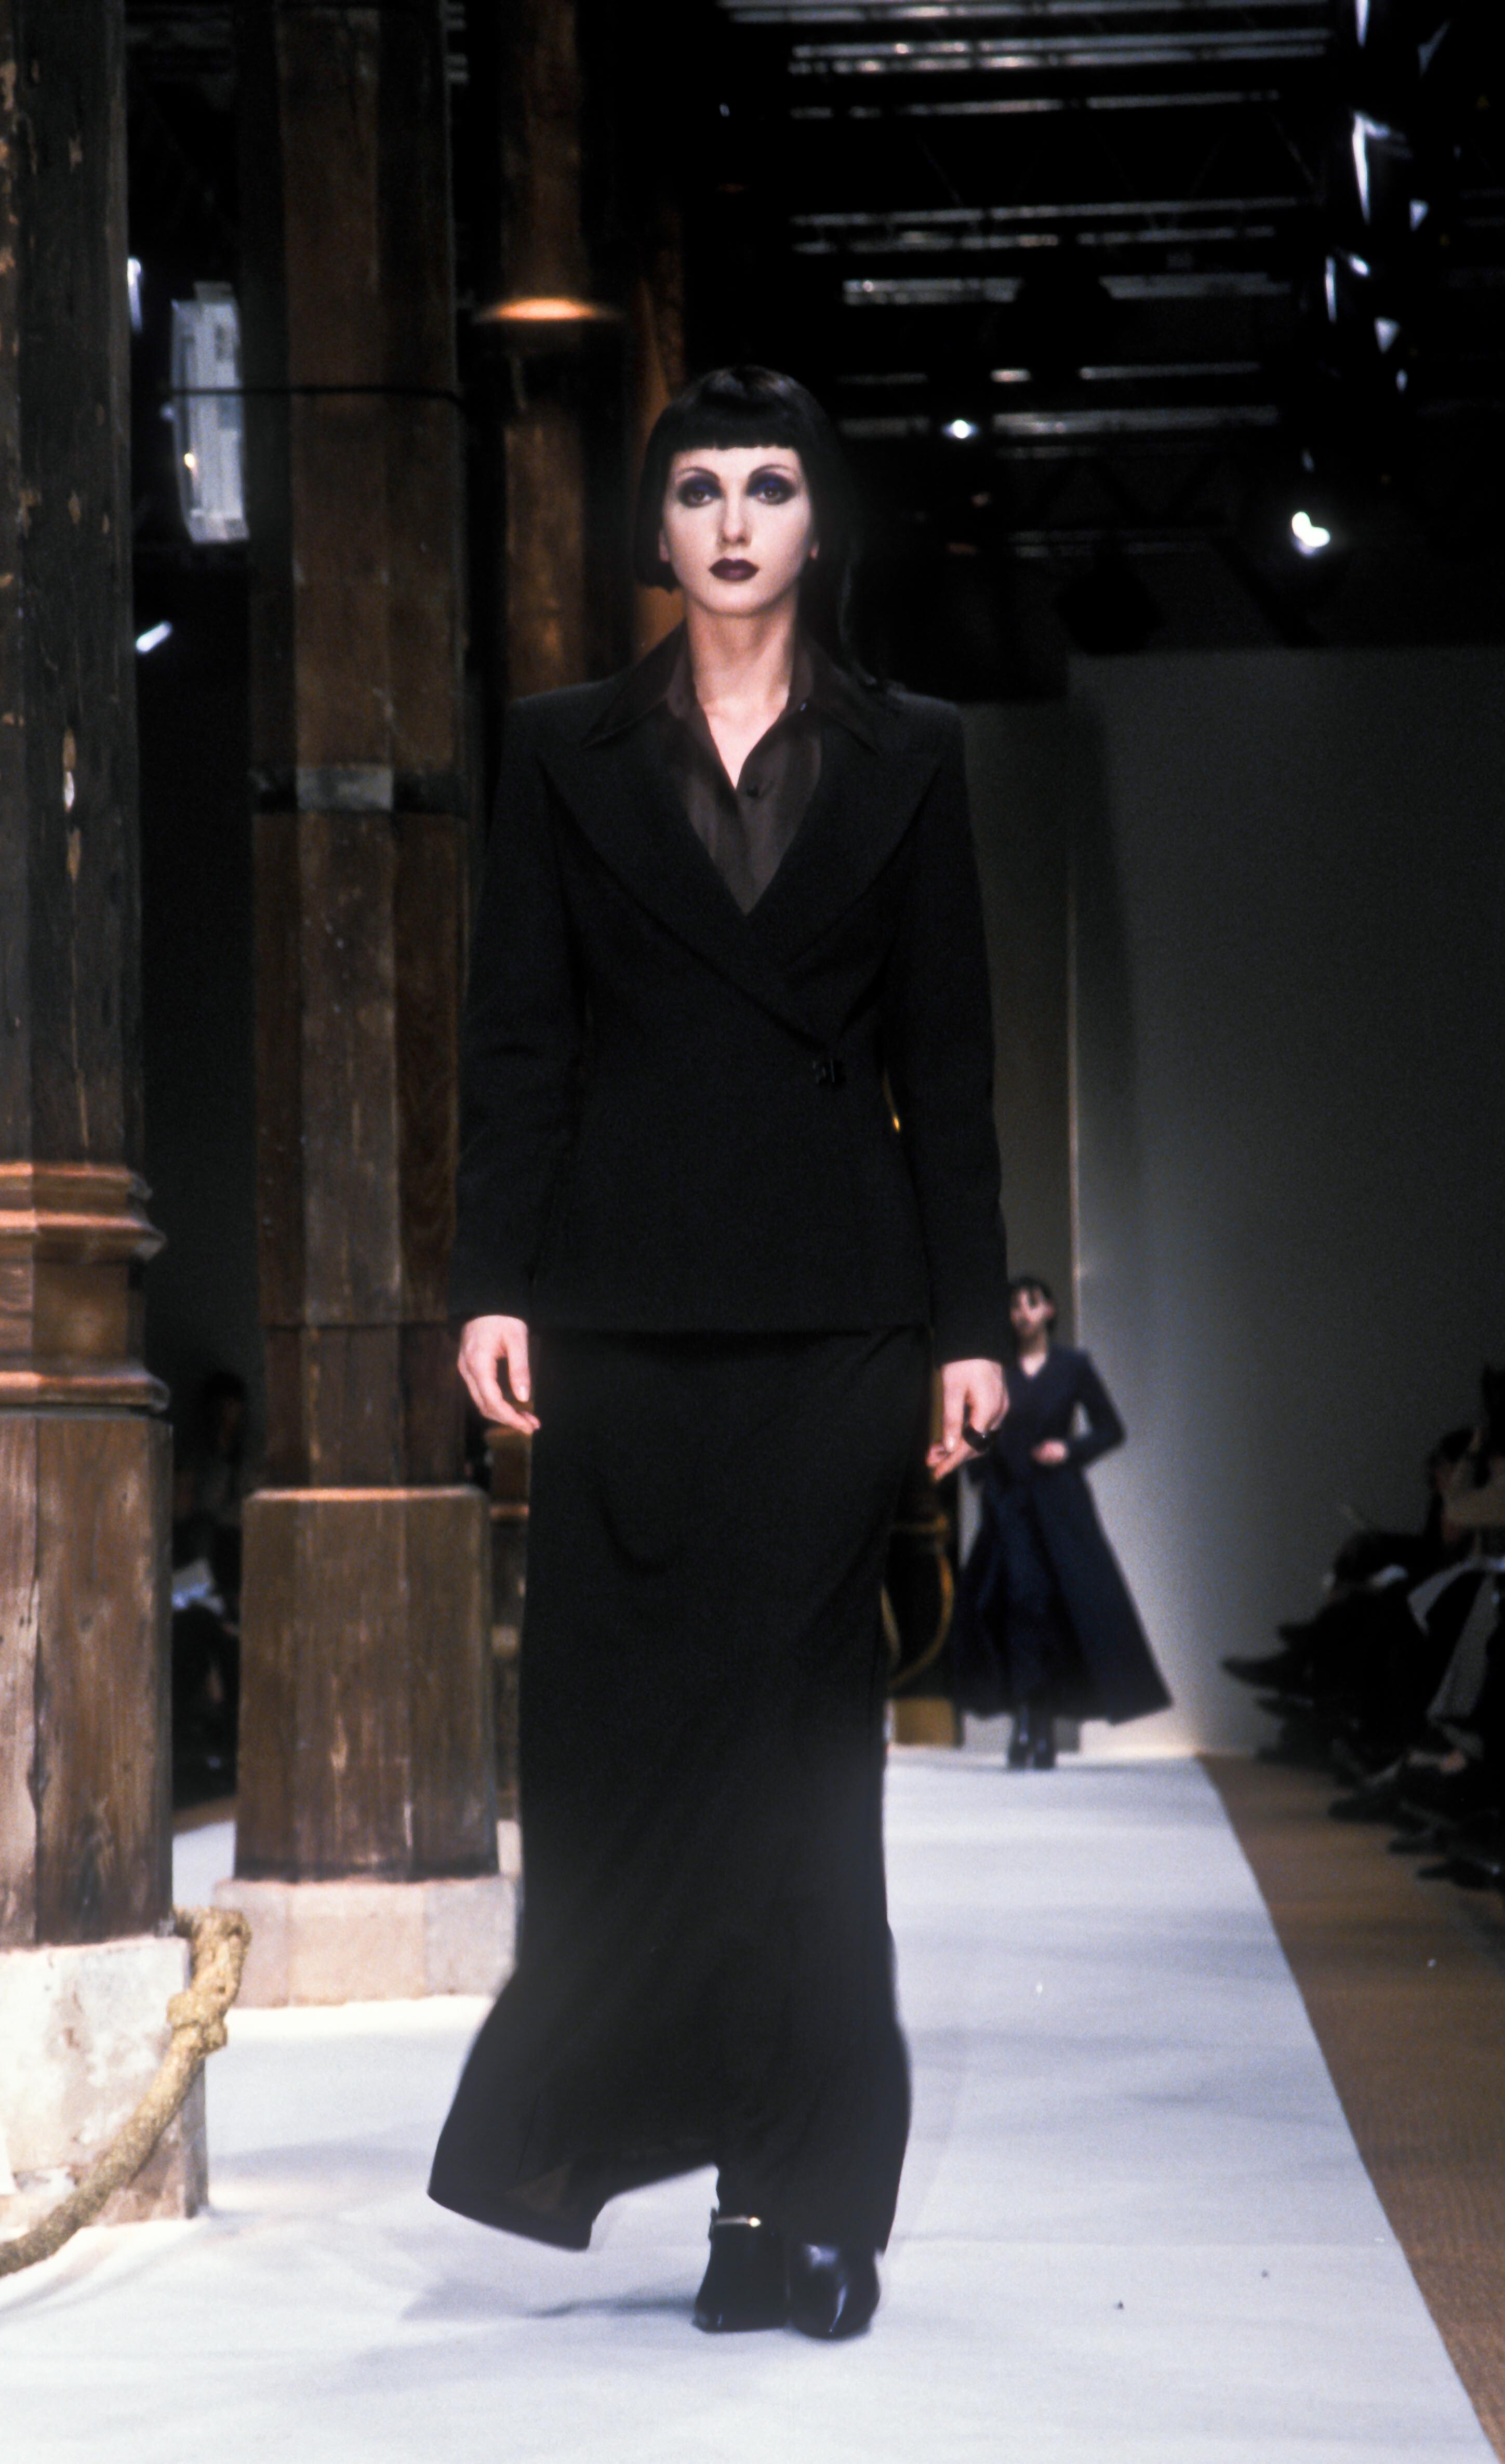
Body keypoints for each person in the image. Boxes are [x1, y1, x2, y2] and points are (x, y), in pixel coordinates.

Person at [428, 366, 1010, 2340]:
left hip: (836, 1320)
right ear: (659, 529)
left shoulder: (911, 750)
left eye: (769, 485)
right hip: (623, 1316)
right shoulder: (562, 749)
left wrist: (966, 1324)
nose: (736, 520)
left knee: (800, 1769)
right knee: (627, 1766)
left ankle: (800, 2196)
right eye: (700, 489)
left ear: (816, 522)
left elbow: (948, 1056)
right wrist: (491, 1279)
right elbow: (518, 1036)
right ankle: (676, 2158)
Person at [952, 1276, 1169, 1764]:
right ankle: (1025, 1720)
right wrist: (979, 1470)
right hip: (1009, 1502)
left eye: (1032, 1303)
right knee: (1017, 1602)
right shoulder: (998, 1371)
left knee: (1056, 1607)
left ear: (1049, 1310)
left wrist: (1068, 1449)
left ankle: (1043, 1722)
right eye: (1015, 1306)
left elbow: (1111, 1428)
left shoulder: (1073, 1366)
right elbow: (976, 1428)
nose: (1023, 1313)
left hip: (1059, 1503)